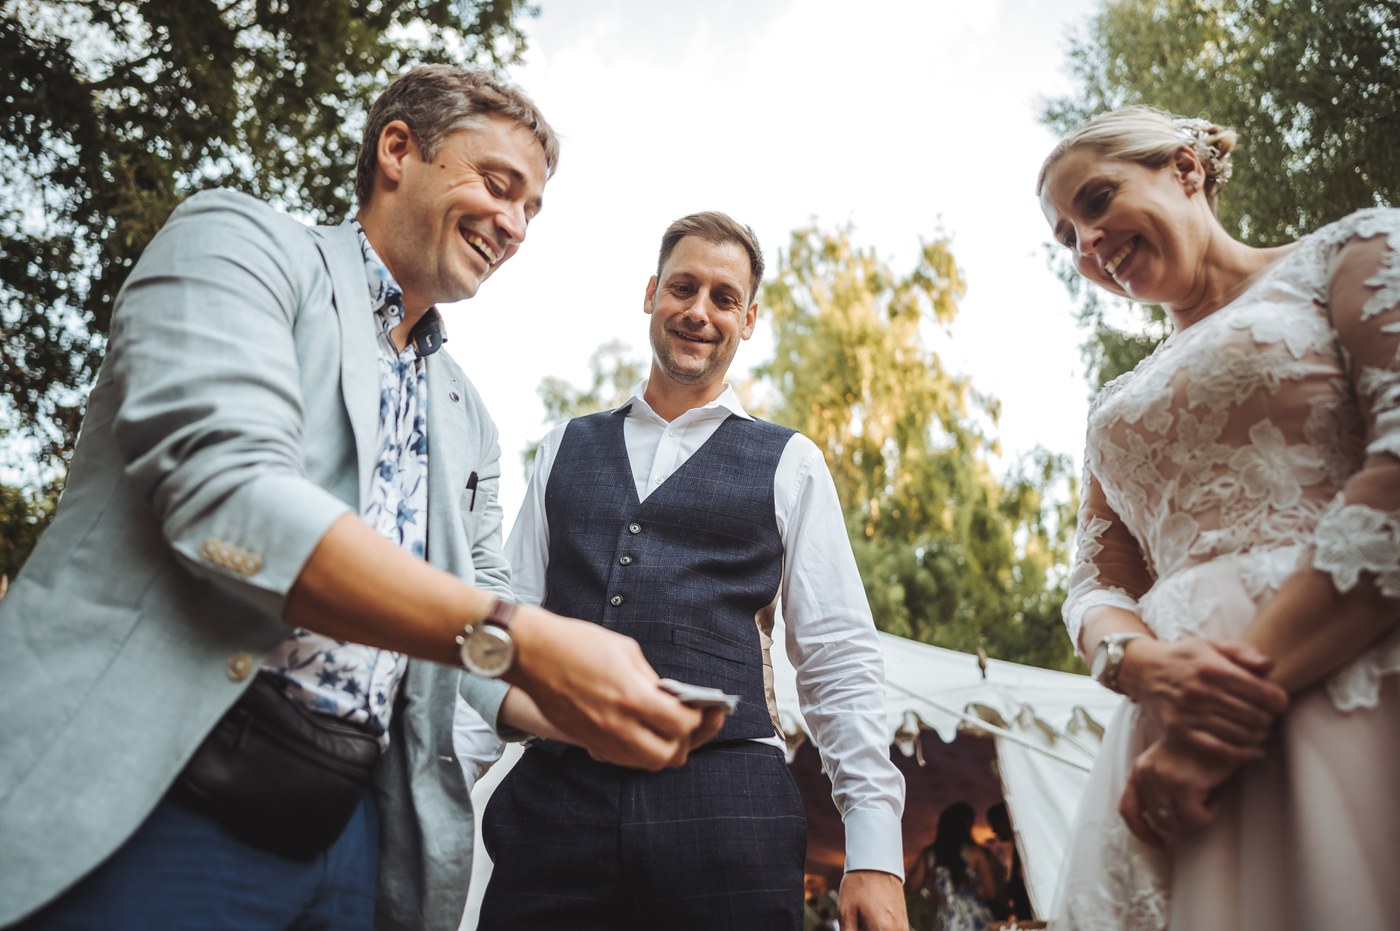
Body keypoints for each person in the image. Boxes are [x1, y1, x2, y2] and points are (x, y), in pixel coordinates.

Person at [0, 65, 721, 931]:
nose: (516, 225)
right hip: (159, 789)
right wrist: (529, 641)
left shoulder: (470, 415)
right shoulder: (241, 246)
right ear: (396, 150)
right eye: (499, 186)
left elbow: (470, 648)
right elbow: (228, 496)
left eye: (533, 208)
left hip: (356, 842)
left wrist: (573, 712)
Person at [479, 211, 908, 930]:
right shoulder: (563, 447)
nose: (699, 312)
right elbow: (504, 632)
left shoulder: (790, 461)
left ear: (749, 319)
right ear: (650, 293)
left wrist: (874, 850)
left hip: (729, 807)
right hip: (556, 804)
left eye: (723, 297)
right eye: (683, 287)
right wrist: (436, 786)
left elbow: (837, 656)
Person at [1037, 105, 1400, 930]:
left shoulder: (1352, 253)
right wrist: (1136, 665)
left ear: (1185, 170)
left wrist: (1212, 728)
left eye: (1096, 202)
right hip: (1163, 714)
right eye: (1066, 238)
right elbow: (1095, 581)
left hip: (1347, 680)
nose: (1087, 244)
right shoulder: (1113, 403)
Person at [906, 802, 1000, 931]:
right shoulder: (975, 853)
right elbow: (991, 892)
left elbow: (912, 886)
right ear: (967, 825)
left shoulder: (929, 854)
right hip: (975, 918)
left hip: (945, 920)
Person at [985, 801, 1032, 922]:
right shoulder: (1018, 846)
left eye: (996, 824)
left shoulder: (1027, 844)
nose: (994, 830)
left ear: (1007, 820)